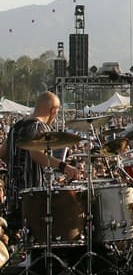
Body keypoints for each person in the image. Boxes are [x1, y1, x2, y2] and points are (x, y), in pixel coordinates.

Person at [0, 92, 80, 230]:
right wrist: (64, 167)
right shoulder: (39, 127)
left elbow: (2, 153)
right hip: (34, 197)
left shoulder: (16, 127)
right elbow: (36, 154)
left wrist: (18, 163)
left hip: (14, 197)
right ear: (53, 110)